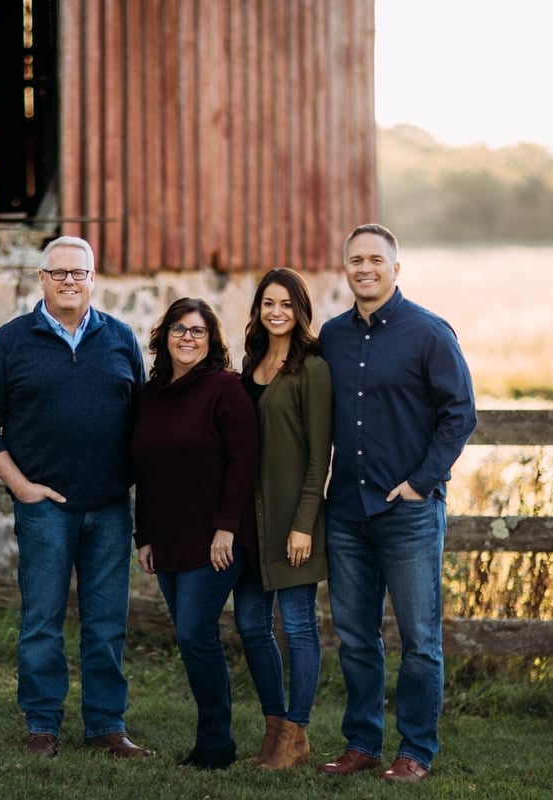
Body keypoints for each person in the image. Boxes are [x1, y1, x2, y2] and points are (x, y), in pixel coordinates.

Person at [0, 235, 152, 759]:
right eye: (59, 273)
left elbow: (142, 421)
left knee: (106, 623)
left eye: (79, 273)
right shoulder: (10, 341)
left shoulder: (120, 338)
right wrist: (21, 486)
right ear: (41, 279)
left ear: (93, 280)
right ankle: (43, 725)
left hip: (111, 507)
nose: (70, 281)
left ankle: (106, 727)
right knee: (42, 621)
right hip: (44, 508)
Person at [316, 223, 476, 783]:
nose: (365, 268)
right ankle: (362, 742)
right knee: (356, 639)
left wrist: (421, 482)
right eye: (355, 259)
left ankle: (416, 751)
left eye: (375, 260)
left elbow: (461, 413)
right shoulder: (331, 337)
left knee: (419, 641)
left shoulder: (428, 333)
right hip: (346, 513)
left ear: (395, 268)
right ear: (346, 268)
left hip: (407, 511)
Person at [131, 298, 259, 771]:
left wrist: (226, 528)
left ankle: (215, 742)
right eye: (180, 330)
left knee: (194, 633)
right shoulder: (150, 395)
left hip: (215, 538)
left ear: (212, 340)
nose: (188, 338)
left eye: (198, 331)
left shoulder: (226, 389)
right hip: (165, 537)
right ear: (165, 336)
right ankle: (213, 738)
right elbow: (143, 467)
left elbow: (243, 462)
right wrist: (142, 534)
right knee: (191, 635)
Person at [237, 268, 333, 769]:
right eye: (268, 303)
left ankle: (297, 734)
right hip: (252, 520)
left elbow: (321, 456)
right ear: (258, 310)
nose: (277, 313)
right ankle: (276, 729)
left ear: (300, 310)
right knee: (251, 623)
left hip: (295, 520)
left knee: (297, 626)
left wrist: (303, 523)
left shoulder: (312, 368)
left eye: (286, 304)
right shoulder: (251, 364)